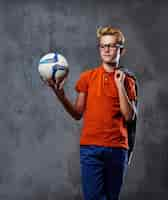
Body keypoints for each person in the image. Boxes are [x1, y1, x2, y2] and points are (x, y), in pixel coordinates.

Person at [46, 26, 137, 200]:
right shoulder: (87, 77)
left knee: (111, 197)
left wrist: (119, 85)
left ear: (121, 50)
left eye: (111, 46)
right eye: (103, 46)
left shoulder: (128, 80)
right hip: (91, 148)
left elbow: (129, 116)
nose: (107, 50)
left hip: (117, 148)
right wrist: (61, 96)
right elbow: (77, 113)